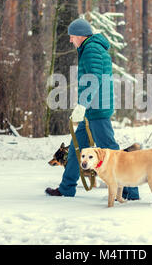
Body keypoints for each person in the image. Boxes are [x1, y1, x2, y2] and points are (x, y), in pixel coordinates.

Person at [45, 18, 140, 200]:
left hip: (97, 108)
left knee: (111, 151)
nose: (71, 41)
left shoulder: (91, 49)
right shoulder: (90, 48)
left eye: (72, 37)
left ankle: (130, 191)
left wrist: (82, 104)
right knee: (76, 148)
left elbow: (93, 78)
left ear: (80, 36)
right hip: (92, 108)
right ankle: (66, 188)